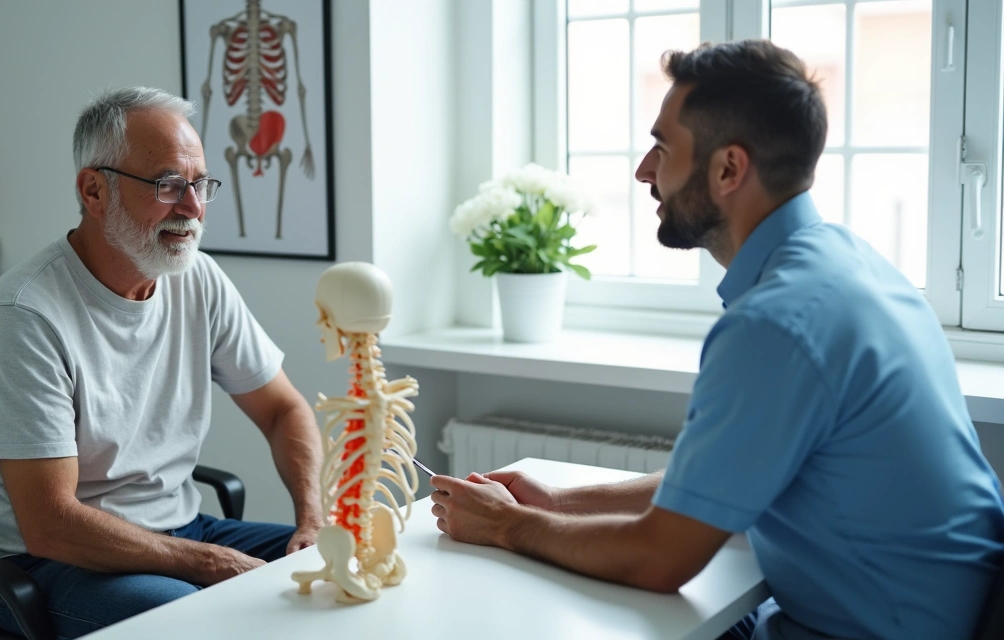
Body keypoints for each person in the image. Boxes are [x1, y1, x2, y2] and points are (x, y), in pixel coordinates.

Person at [430, 40, 1004, 640]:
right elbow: (723, 479)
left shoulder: (776, 324)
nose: (644, 171)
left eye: (662, 147)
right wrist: (555, 503)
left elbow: (659, 558)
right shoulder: (846, 263)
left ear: (729, 169)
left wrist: (506, 527)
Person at [0, 87, 323, 638]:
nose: (194, 207)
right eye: (168, 185)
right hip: (51, 565)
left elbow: (282, 410)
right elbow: (50, 525)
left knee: (347, 560)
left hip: (180, 529)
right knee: (210, 622)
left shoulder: (196, 278)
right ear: (93, 190)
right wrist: (209, 563)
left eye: (200, 184)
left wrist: (313, 518)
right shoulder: (24, 317)